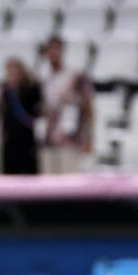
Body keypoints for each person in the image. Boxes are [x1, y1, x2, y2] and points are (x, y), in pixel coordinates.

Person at [39, 35, 94, 174]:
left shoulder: (76, 77)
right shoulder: (44, 79)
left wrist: (89, 138)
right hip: (49, 140)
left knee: (69, 181)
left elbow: (89, 109)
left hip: (71, 140)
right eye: (50, 49)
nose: (53, 53)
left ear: (63, 51)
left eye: (57, 49)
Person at [1, 58, 42, 175]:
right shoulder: (6, 92)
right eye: (9, 72)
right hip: (10, 142)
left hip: (26, 140)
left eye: (14, 72)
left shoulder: (31, 90)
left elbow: (36, 114)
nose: (11, 76)